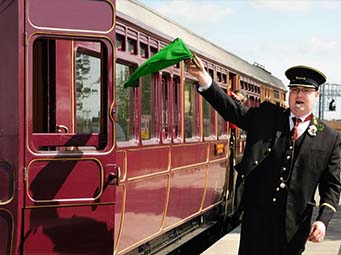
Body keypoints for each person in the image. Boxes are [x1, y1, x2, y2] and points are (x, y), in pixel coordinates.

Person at [187, 56, 341, 255]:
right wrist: (204, 79)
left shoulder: (329, 138)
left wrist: (323, 220)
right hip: (256, 222)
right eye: (294, 90)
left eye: (305, 91)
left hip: (293, 228)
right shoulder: (267, 117)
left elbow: (332, 186)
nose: (298, 95)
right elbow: (233, 111)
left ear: (317, 95)